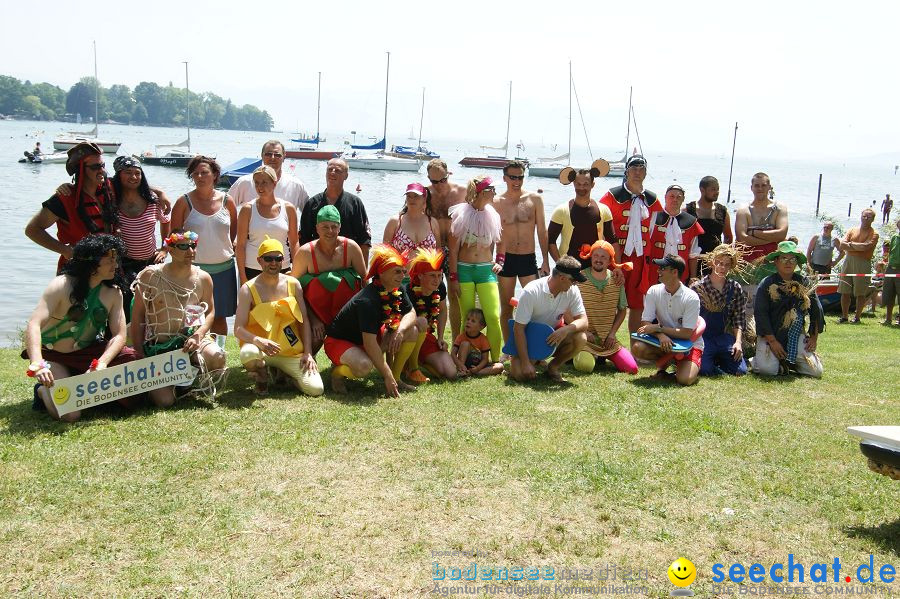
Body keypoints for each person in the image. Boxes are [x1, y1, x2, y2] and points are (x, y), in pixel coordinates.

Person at [23, 234, 136, 422]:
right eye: (110, 261)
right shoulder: (61, 285)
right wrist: (37, 363)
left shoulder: (114, 292)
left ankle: (80, 381)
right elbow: (34, 324)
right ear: (91, 264)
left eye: (116, 260)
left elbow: (119, 335)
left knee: (132, 362)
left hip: (88, 353)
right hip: (54, 355)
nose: (116, 266)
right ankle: (43, 391)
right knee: (71, 415)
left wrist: (101, 363)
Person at [131, 230, 225, 406]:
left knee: (218, 356)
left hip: (191, 342)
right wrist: (139, 354)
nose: (190, 251)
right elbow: (137, 317)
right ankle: (174, 384)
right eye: (183, 246)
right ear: (170, 249)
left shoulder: (203, 278)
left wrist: (199, 334)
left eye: (193, 246)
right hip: (159, 347)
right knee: (165, 401)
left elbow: (210, 312)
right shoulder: (150, 276)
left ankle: (190, 379)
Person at [324, 245, 423, 396]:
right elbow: (370, 343)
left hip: (368, 340)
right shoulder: (367, 301)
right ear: (381, 272)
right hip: (339, 342)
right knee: (364, 366)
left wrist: (400, 331)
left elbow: (411, 312)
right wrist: (386, 374)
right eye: (397, 271)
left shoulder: (397, 288)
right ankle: (337, 373)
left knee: (412, 331)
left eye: (403, 271)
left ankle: (396, 379)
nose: (402, 275)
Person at [234, 237, 323, 396]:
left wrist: (308, 352)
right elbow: (238, 329)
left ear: (283, 260)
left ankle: (288, 374)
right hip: (261, 349)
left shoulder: (293, 284)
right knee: (248, 354)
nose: (273, 263)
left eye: (278, 258)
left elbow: (303, 321)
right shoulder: (248, 289)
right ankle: (261, 376)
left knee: (316, 389)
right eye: (268, 258)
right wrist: (258, 341)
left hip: (289, 349)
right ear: (259, 261)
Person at [170, 156, 238, 337]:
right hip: (193, 271)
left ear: (215, 175)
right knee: (191, 318)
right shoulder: (183, 202)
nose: (200, 176)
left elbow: (232, 233)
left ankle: (218, 356)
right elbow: (174, 239)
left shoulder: (227, 201)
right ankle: (193, 357)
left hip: (224, 269)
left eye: (205, 172)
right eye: (195, 173)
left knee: (220, 317)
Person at [25, 142, 118, 272]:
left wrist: (157, 193)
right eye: (95, 167)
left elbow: (137, 184)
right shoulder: (65, 198)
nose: (102, 170)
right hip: (77, 271)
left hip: (109, 269)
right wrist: (66, 250)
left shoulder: (109, 189)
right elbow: (32, 230)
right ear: (81, 170)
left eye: (102, 165)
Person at [598, 154, 661, 334]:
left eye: (641, 169)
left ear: (646, 173)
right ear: (627, 171)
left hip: (640, 260)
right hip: (616, 257)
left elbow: (655, 231)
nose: (637, 172)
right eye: (634, 168)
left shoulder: (653, 200)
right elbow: (600, 225)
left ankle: (635, 345)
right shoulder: (612, 196)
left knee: (637, 304)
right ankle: (603, 345)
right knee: (609, 300)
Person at [292, 205, 366, 355]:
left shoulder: (351, 248)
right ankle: (298, 368)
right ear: (317, 228)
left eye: (334, 226)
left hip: (345, 313)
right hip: (315, 313)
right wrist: (312, 319)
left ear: (340, 227)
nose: (330, 231)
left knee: (353, 346)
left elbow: (364, 283)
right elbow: (293, 289)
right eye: (325, 227)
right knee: (314, 340)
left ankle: (338, 369)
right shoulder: (305, 253)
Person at [448, 176, 505, 363]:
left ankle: (495, 359)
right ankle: (466, 358)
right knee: (468, 318)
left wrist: (500, 261)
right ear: (481, 192)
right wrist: (454, 278)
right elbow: (454, 251)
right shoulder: (461, 214)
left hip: (485, 270)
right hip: (464, 270)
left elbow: (501, 240)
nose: (495, 193)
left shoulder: (493, 214)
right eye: (492, 189)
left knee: (493, 316)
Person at [509, 255, 588, 382]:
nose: (575, 284)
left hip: (552, 339)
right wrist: (525, 363)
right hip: (528, 341)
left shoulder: (572, 290)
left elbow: (584, 321)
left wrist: (565, 330)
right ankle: (532, 359)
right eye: (573, 280)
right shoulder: (531, 291)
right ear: (562, 278)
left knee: (581, 338)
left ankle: (553, 367)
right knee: (520, 375)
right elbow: (518, 329)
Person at [495, 161, 550, 341]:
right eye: (513, 177)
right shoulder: (497, 202)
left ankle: (532, 348)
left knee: (535, 306)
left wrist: (546, 261)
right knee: (506, 307)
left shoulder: (535, 199)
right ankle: (509, 348)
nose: (517, 181)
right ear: (505, 178)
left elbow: (542, 231)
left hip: (528, 258)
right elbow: (491, 234)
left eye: (520, 177)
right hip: (505, 260)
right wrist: (492, 260)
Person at [110, 156, 171, 318]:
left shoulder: (152, 200)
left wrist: (165, 249)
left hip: (150, 262)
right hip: (124, 263)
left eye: (138, 173)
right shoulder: (111, 200)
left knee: (151, 306)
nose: (134, 177)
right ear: (118, 175)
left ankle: (147, 340)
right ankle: (123, 339)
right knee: (125, 306)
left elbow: (165, 222)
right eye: (128, 173)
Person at [752, 241, 824, 377]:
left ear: (796, 263)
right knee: (768, 370)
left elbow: (817, 310)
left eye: (792, 259)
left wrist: (814, 337)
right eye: (784, 258)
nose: (788, 262)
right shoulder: (766, 284)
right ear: (776, 261)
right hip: (771, 335)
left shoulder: (804, 283)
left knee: (816, 371)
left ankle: (790, 361)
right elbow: (761, 314)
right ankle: (759, 360)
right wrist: (772, 341)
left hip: (796, 335)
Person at [631, 255, 703, 386]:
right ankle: (668, 365)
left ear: (675, 272)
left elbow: (687, 333)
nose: (658, 271)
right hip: (664, 342)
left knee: (684, 380)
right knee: (638, 349)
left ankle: (683, 366)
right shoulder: (653, 291)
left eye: (662, 268)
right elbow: (645, 323)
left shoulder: (691, 297)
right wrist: (660, 335)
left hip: (689, 344)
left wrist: (659, 329)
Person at [576, 240, 638, 374]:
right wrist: (583, 332)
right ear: (590, 257)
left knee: (632, 369)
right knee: (585, 366)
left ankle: (601, 356)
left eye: (603, 257)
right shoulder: (579, 279)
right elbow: (568, 311)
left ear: (610, 260)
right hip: (585, 338)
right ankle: (582, 353)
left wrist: (612, 334)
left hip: (608, 340)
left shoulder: (617, 280)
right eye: (596, 255)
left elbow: (622, 311)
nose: (599, 259)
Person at [690, 245, 748, 376]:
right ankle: (711, 361)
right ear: (712, 262)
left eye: (727, 264)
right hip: (702, 338)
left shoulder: (735, 288)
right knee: (704, 370)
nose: (722, 267)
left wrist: (738, 342)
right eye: (719, 263)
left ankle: (719, 358)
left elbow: (739, 319)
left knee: (741, 371)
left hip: (723, 337)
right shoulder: (698, 288)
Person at [236, 165, 299, 285]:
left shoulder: (289, 209)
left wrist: (295, 271)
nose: (260, 187)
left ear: (274, 184)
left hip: (282, 268)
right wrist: (243, 277)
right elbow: (240, 245)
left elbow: (294, 242)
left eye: (264, 182)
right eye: (257, 183)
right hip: (252, 269)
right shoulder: (247, 209)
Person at [299, 158, 371, 262]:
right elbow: (303, 239)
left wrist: (363, 274)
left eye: (337, 170)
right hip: (317, 265)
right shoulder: (312, 204)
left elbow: (364, 240)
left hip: (347, 265)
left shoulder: (355, 203)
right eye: (330, 169)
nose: (332, 173)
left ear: (346, 175)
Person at [426, 158, 468, 336]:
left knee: (454, 295)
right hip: (432, 249)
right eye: (434, 181)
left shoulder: (462, 192)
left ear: (448, 174)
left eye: (442, 180)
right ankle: (428, 336)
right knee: (428, 293)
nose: (439, 185)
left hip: (455, 249)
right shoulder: (424, 194)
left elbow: (480, 216)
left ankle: (457, 340)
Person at [403, 247, 459, 380]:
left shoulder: (440, 287)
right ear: (420, 275)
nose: (437, 280)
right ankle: (411, 366)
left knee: (450, 373)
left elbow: (443, 310)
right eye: (432, 275)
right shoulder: (408, 291)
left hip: (426, 336)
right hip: (407, 337)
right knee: (418, 323)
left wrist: (440, 337)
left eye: (439, 275)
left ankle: (421, 362)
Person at [548, 163, 615, 269]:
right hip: (568, 271)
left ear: (592, 184)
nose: (581, 187)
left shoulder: (604, 210)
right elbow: (550, 241)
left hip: (595, 270)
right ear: (573, 183)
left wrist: (617, 267)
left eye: (585, 184)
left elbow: (612, 240)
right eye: (578, 184)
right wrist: (561, 265)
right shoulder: (561, 210)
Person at [644, 184, 704, 283]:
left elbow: (693, 254)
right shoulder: (653, 217)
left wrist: (693, 277)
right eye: (671, 196)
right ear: (665, 197)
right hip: (654, 272)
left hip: (679, 275)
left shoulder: (691, 222)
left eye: (678, 197)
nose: (675, 199)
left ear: (683, 199)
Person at [228, 140, 309, 212]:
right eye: (268, 154)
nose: (272, 158)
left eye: (277, 155)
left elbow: (309, 216)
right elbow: (224, 209)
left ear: (284, 157)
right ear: (262, 156)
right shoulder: (244, 182)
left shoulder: (296, 185)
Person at [734, 172, 789, 265]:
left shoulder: (780, 208)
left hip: (773, 261)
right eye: (757, 186)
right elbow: (742, 239)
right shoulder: (743, 210)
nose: (760, 189)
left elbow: (782, 234)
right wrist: (772, 240)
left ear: (769, 187)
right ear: (751, 188)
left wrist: (753, 233)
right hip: (746, 263)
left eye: (763, 185)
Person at [838, 208, 880, 323]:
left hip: (863, 262)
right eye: (864, 216)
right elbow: (842, 245)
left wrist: (850, 245)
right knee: (844, 290)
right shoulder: (852, 230)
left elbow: (866, 247)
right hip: (848, 261)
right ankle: (844, 316)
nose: (865, 219)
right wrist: (856, 246)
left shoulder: (874, 233)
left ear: (873, 219)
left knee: (860, 292)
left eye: (869, 217)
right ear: (861, 216)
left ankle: (857, 317)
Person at [685, 176, 733, 275]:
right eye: (713, 189)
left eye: (718, 189)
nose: (717, 192)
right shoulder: (688, 210)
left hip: (714, 263)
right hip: (692, 262)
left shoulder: (722, 211)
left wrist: (723, 256)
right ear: (702, 190)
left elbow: (728, 237)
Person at [382, 182, 442, 258]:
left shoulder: (432, 222)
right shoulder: (395, 222)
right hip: (401, 269)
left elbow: (438, 252)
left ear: (424, 199)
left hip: (427, 269)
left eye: (416, 196)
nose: (411, 199)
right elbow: (384, 252)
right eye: (408, 196)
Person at [452, 308, 503, 377]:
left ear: (481, 327)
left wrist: (477, 368)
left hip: (479, 366)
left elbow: (485, 359)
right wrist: (460, 365)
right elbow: (453, 353)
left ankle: (472, 373)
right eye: (468, 319)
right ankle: (462, 370)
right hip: (463, 363)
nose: (468, 322)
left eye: (473, 321)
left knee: (500, 366)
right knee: (465, 343)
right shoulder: (461, 337)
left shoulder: (483, 339)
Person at [882, 219, 900, 326]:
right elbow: (888, 252)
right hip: (890, 269)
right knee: (889, 294)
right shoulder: (894, 237)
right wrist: (885, 260)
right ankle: (888, 319)